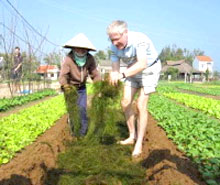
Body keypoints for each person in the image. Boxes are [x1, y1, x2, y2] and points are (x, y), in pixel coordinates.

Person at [106, 20, 161, 158]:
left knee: (140, 105)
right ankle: (132, 136)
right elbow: (115, 69)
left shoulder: (139, 40)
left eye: (117, 39)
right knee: (125, 102)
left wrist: (122, 74)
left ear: (125, 33)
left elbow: (142, 63)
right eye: (111, 40)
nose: (114, 44)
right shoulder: (113, 47)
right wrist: (113, 74)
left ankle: (139, 143)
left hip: (149, 70)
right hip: (132, 71)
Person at [59, 33, 101, 137]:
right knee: (73, 110)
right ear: (73, 48)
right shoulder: (69, 59)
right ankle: (74, 132)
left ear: (87, 50)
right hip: (70, 87)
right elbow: (63, 75)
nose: (81, 51)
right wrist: (65, 86)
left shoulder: (90, 59)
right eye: (78, 49)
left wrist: (99, 87)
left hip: (82, 88)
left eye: (83, 49)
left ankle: (82, 133)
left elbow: (95, 74)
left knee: (82, 109)